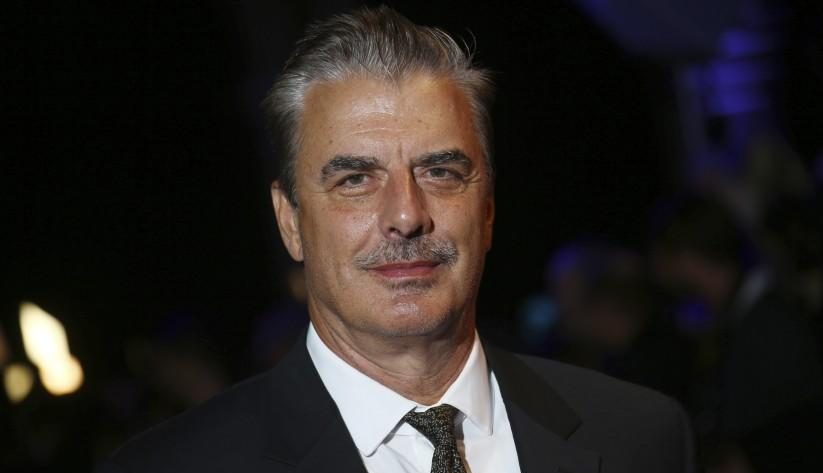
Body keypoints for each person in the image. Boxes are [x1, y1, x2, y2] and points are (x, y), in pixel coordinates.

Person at [99, 6, 694, 473]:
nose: (407, 215)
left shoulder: (640, 436)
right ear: (290, 221)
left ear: (487, 209)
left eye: (441, 172)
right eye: (355, 180)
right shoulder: (175, 466)